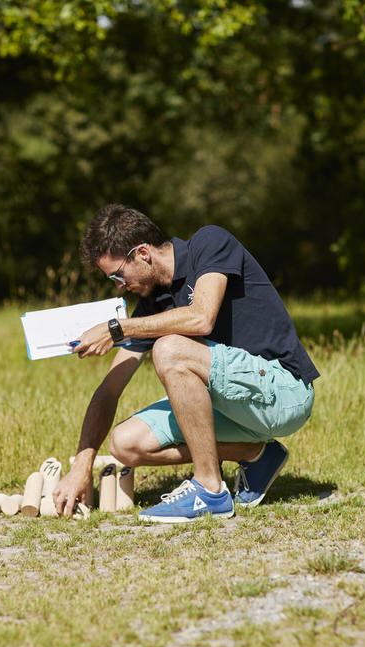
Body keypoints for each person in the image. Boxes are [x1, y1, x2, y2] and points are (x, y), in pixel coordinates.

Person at [52, 204, 320, 522]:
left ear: (142, 253)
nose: (118, 286)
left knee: (169, 349)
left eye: (117, 275)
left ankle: (209, 489)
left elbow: (201, 318)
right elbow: (110, 390)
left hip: (283, 391)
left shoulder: (209, 243)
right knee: (125, 444)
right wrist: (81, 465)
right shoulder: (153, 307)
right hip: (235, 404)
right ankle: (255, 454)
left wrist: (118, 328)